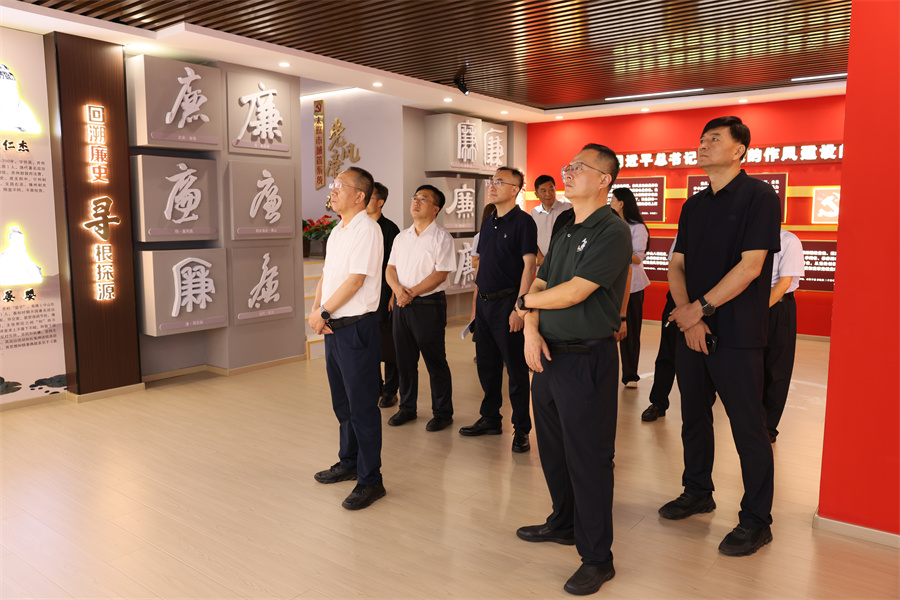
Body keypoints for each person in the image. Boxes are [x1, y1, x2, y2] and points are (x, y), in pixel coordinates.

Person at [661, 116, 781, 557]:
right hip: (693, 330)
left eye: (714, 139)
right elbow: (677, 265)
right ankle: (697, 491)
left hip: (737, 333)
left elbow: (751, 267)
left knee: (748, 427)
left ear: (739, 150)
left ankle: (756, 519)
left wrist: (700, 309)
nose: (703, 144)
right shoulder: (693, 205)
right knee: (693, 417)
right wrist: (690, 318)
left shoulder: (760, 197)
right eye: (701, 139)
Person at [515, 143, 631, 596]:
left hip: (586, 358)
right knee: (553, 449)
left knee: (589, 457)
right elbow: (544, 280)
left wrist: (524, 303)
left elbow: (576, 291)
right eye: (568, 165)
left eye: (579, 167)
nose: (568, 172)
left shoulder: (611, 230)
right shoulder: (566, 225)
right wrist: (530, 329)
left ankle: (598, 558)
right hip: (547, 354)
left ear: (604, 179)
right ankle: (563, 521)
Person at [309, 166, 387, 511]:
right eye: (333, 185)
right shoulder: (337, 231)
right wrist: (316, 310)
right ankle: (349, 461)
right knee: (342, 403)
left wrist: (323, 312)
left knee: (362, 406)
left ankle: (371, 480)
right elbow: (327, 276)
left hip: (356, 328)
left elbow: (355, 281)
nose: (334, 190)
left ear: (360, 195)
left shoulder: (367, 230)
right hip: (333, 327)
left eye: (340, 185)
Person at [459, 167, 537, 453]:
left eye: (500, 182)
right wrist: (475, 310)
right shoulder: (488, 222)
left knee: (515, 370)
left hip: (508, 303)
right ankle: (490, 418)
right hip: (484, 304)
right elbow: (483, 268)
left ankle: (521, 428)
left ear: (516, 189)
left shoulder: (523, 222)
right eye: (492, 181)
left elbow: (530, 265)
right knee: (487, 365)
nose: (492, 186)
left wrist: (520, 307)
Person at [385, 185, 457, 431]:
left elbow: (441, 273)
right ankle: (407, 408)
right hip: (402, 304)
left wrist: (410, 293)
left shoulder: (442, 238)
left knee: (434, 361)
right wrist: (398, 290)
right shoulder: (401, 237)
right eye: (414, 198)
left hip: (428, 305)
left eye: (423, 199)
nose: (416, 202)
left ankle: (443, 413)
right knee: (404, 360)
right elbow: (390, 268)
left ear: (435, 208)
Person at [763, 228, 804, 443]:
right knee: (750, 367)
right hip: (750, 307)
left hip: (779, 307)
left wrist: (757, 312)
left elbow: (785, 282)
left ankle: (768, 427)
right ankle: (752, 421)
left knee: (777, 369)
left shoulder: (788, 240)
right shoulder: (745, 236)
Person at [610, 187, 650, 388]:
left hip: (633, 286)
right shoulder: (610, 225)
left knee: (630, 331)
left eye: (613, 200)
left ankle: (631, 375)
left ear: (621, 203)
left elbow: (637, 257)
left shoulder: (637, 227)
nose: (610, 203)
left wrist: (612, 254)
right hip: (611, 285)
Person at [366, 182, 401, 409]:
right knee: (369, 342)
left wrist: (393, 294)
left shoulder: (390, 229)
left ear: (380, 202)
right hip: (363, 295)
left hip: (384, 293)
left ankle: (390, 390)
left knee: (388, 345)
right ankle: (375, 386)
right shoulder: (361, 226)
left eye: (370, 198)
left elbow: (395, 265)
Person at [641, 238, 678, 422]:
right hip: (677, 301)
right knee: (666, 355)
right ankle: (658, 403)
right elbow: (674, 268)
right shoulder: (684, 232)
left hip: (707, 304)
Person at [530, 175, 569, 266]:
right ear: (536, 194)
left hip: (563, 262)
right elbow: (531, 238)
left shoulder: (567, 209)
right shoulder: (534, 213)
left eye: (551, 189)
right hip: (542, 265)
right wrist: (541, 258)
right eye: (543, 190)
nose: (548, 194)